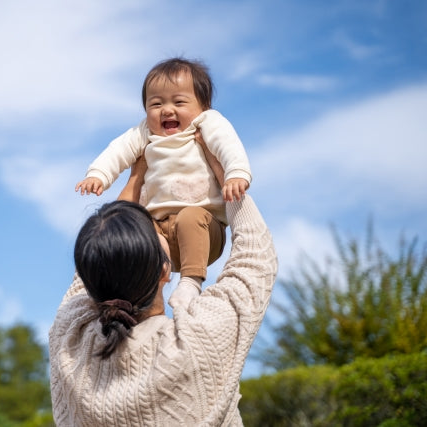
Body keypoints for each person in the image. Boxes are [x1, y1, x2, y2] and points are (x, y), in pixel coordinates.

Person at [49, 194, 277, 425]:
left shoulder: (68, 344)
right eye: (158, 230)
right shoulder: (198, 339)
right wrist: (229, 177)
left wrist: (130, 195)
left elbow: (96, 261)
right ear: (164, 271)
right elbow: (255, 259)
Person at [75, 57, 252, 309]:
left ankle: (190, 282)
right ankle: (143, 287)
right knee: (140, 231)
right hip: (159, 230)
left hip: (203, 229)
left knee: (191, 217)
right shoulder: (146, 132)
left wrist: (236, 174)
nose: (167, 110)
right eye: (156, 104)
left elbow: (228, 145)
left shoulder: (206, 124)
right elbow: (118, 150)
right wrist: (99, 174)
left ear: (203, 106)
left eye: (179, 102)